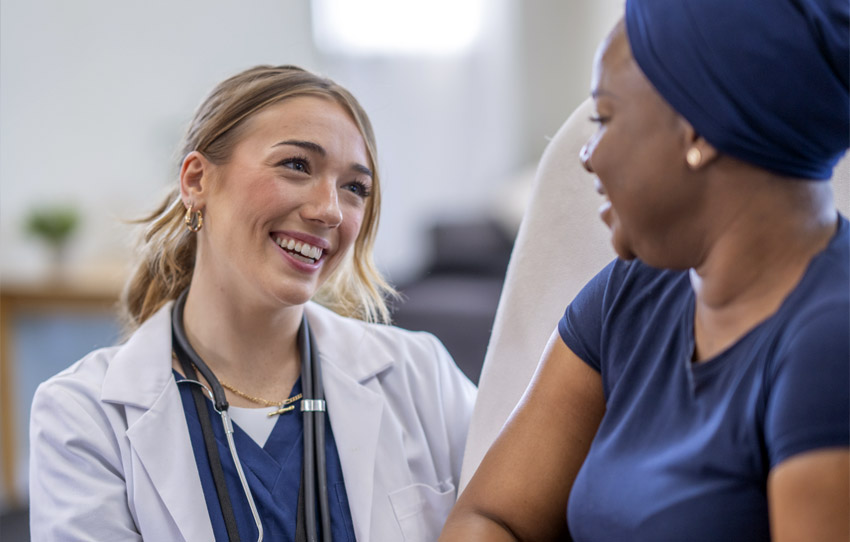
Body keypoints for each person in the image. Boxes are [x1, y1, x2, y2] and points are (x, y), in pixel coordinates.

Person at [441, 0, 849, 540]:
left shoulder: (830, 342)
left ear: (698, 132)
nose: (587, 155)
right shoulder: (634, 290)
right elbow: (491, 517)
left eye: (605, 118)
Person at [29, 65, 476, 541]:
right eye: (297, 165)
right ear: (196, 181)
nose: (329, 210)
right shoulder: (83, 416)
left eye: (354, 188)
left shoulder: (421, 376)